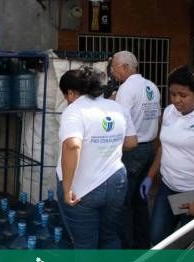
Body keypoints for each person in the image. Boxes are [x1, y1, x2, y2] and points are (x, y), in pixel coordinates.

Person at [56, 67, 137, 249]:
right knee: (110, 236)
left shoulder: (75, 110)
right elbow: (132, 142)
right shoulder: (117, 108)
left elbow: (73, 145)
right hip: (116, 182)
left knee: (85, 244)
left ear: (70, 93)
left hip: (83, 188)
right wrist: (107, 144)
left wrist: (67, 188)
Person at [140, 65, 194, 245]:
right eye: (173, 94)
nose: (177, 100)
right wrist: (150, 176)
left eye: (183, 95)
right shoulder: (171, 112)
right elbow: (165, 147)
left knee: (187, 245)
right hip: (168, 187)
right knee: (157, 238)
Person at [110, 50, 161, 249]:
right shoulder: (152, 87)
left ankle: (126, 247)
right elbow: (157, 118)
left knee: (123, 202)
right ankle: (142, 243)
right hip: (149, 148)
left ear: (125, 67)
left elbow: (120, 122)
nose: (113, 73)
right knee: (140, 200)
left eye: (114, 68)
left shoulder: (126, 89)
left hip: (132, 150)